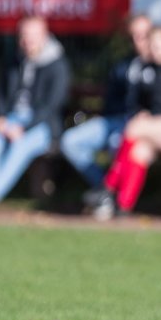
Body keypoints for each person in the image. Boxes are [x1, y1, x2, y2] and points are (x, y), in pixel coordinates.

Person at [87, 27, 161, 219]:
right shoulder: (144, 67)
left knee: (134, 128)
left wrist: (158, 120)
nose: (157, 51)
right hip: (150, 130)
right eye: (153, 46)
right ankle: (123, 207)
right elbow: (137, 104)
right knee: (138, 150)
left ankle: (107, 186)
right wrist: (143, 115)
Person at [0, 15, 70, 217]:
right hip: (12, 119)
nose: (27, 41)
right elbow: (1, 97)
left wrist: (24, 128)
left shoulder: (57, 64)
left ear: (44, 36)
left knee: (22, 145)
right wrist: (0, 119)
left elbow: (52, 106)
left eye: (33, 36)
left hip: (41, 125)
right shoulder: (14, 60)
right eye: (24, 36)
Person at [62, 13, 151, 192]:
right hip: (115, 120)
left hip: (143, 126)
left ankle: (115, 195)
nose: (137, 41)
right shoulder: (123, 65)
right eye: (133, 36)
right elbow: (111, 101)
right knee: (70, 141)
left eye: (143, 35)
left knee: (118, 144)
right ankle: (104, 187)